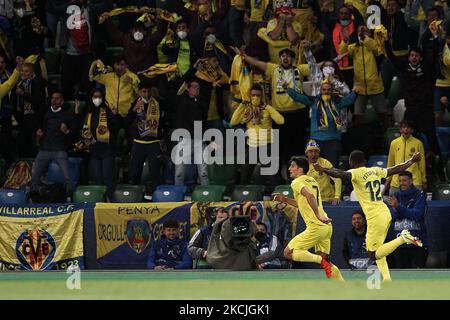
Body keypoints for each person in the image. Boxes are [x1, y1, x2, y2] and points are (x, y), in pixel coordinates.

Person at [314, 149, 423, 281]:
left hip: (374, 217)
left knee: (372, 254)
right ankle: (387, 279)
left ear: (351, 162)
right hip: (385, 212)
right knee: (379, 249)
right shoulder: (375, 170)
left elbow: (339, 174)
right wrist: (411, 160)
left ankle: (403, 238)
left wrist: (323, 169)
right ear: (364, 161)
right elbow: (396, 169)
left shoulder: (355, 172)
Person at [231, 46, 310, 169]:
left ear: (293, 59)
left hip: (298, 114)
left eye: (288, 56)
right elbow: (256, 62)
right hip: (279, 114)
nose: (285, 58)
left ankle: (297, 175)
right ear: (279, 58)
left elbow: (317, 67)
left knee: (297, 146)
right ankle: (282, 175)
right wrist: (243, 56)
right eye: (283, 56)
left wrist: (330, 63)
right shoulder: (273, 69)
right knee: (279, 147)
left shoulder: (300, 69)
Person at [273, 156, 344, 280]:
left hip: (316, 226)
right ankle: (341, 285)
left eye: (292, 166)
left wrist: (317, 215)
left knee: (287, 253)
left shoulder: (296, 182)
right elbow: (303, 202)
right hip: (326, 227)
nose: (289, 169)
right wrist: (284, 200)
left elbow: (310, 196)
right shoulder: (311, 180)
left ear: (300, 169)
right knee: (326, 261)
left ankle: (319, 261)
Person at [287, 79, 357, 167]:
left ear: (332, 91)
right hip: (315, 140)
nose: (326, 92)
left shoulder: (337, 103)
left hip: (332, 140)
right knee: (313, 168)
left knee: (332, 168)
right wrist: (287, 89)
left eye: (328, 90)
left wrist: (355, 92)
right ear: (320, 91)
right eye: (324, 89)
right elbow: (298, 97)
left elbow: (349, 100)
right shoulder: (314, 101)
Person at [230, 83, 284, 185]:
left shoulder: (267, 109)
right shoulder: (247, 109)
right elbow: (233, 122)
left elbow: (281, 120)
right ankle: (243, 198)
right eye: (253, 95)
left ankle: (279, 198)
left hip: (266, 146)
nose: (255, 97)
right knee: (244, 177)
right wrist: (242, 104)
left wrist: (267, 106)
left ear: (262, 96)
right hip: (252, 147)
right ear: (249, 96)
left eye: (258, 95)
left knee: (273, 178)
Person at [30, 91, 81, 194]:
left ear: (62, 102)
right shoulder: (46, 114)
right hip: (44, 149)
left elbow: (75, 133)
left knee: (68, 178)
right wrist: (38, 134)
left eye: (57, 98)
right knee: (34, 177)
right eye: (53, 98)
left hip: (59, 150)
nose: (54, 100)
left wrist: (66, 131)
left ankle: (71, 199)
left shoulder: (66, 115)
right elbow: (38, 130)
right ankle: (32, 198)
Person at [340, 25, 389, 130]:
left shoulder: (374, 44)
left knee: (383, 114)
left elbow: (375, 49)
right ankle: (361, 138)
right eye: (359, 31)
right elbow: (342, 52)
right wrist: (344, 40)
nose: (361, 33)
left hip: (375, 86)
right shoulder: (354, 47)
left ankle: (388, 135)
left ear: (369, 33)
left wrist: (364, 39)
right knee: (358, 115)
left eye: (364, 31)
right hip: (359, 87)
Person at [81, 89, 120, 199]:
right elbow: (84, 129)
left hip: (107, 150)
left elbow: (117, 127)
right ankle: (99, 200)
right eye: (94, 96)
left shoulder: (107, 111)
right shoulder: (88, 112)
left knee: (107, 178)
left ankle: (109, 200)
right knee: (97, 179)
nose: (97, 99)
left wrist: (114, 115)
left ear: (102, 99)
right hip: (94, 150)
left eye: (99, 97)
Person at [126, 82, 163, 194]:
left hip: (153, 142)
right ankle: (134, 196)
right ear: (139, 92)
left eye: (148, 91)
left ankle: (156, 196)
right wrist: (133, 110)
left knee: (155, 173)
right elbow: (126, 122)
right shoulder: (134, 104)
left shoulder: (158, 103)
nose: (146, 94)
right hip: (138, 143)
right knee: (135, 172)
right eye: (143, 91)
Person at [388, 171, 428, 268]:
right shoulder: (395, 195)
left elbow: (417, 214)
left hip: (417, 242)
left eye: (404, 180)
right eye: (400, 181)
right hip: (399, 243)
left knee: (417, 277)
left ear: (411, 181)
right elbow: (391, 216)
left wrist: (398, 207)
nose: (402, 183)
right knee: (402, 277)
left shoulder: (420, 195)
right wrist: (405, 211)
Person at [173, 78, 209, 186]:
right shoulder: (181, 100)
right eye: (194, 87)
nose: (196, 89)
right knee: (179, 173)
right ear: (187, 89)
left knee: (203, 172)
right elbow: (179, 82)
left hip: (199, 140)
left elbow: (205, 122)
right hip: (184, 140)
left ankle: (206, 196)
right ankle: (178, 197)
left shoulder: (202, 103)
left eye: (198, 88)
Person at [12, 62, 46, 157]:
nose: (23, 73)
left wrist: (23, 93)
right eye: (22, 71)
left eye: (26, 72)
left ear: (32, 73)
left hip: (35, 117)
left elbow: (37, 100)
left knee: (33, 143)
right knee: (23, 141)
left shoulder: (37, 82)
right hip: (24, 117)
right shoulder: (20, 83)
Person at [385, 120, 427, 196]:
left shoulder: (418, 143)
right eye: (403, 127)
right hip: (396, 183)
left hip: (414, 182)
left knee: (416, 206)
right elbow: (390, 163)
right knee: (394, 206)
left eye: (408, 127)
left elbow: (422, 163)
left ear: (412, 130)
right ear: (400, 129)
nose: (406, 129)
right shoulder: (394, 143)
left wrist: (424, 180)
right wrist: (388, 180)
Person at [303, 140, 341, 205]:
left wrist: (337, 196)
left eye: (316, 151)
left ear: (319, 153)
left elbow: (337, 178)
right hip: (312, 200)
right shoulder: (303, 164)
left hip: (328, 199)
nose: (313, 154)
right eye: (310, 151)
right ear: (306, 153)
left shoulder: (325, 163)